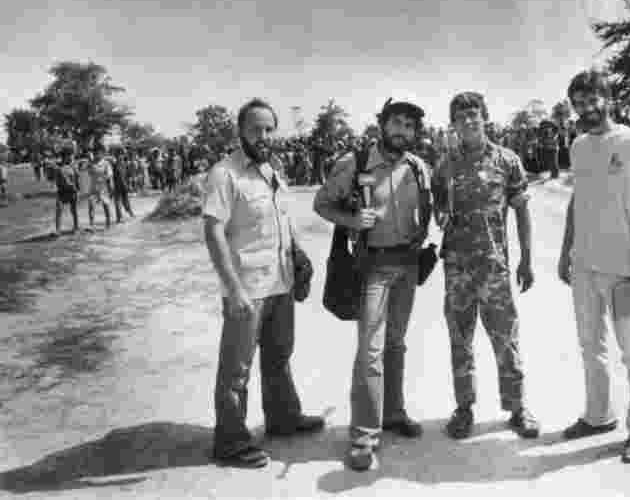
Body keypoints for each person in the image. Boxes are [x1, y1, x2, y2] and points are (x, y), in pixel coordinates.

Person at [203, 98, 325, 469]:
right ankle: (230, 441)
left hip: (279, 283)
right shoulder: (225, 174)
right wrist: (234, 289)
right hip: (248, 289)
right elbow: (213, 231)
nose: (264, 135)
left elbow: (280, 225)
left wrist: (299, 258)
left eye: (270, 128)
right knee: (236, 368)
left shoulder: (271, 172)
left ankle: (283, 418)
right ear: (240, 131)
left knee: (278, 357)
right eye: (256, 128)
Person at [313, 98, 431, 472]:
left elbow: (429, 210)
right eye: (396, 123)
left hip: (408, 266)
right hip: (373, 267)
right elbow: (322, 204)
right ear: (382, 125)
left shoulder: (418, 166)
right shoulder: (355, 163)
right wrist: (351, 220)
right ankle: (363, 436)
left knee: (396, 343)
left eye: (409, 126)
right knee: (371, 351)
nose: (402, 131)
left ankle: (393, 414)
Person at [557, 70, 630, 465]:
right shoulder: (579, 146)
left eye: (592, 100)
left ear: (608, 98)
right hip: (584, 264)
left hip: (623, 267)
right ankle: (598, 416)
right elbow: (576, 200)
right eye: (578, 104)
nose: (585, 109)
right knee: (590, 347)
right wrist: (566, 250)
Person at [432, 91, 540, 443]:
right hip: (457, 270)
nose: (468, 120)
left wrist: (526, 258)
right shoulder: (444, 166)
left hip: (495, 268)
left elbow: (522, 210)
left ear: (485, 117)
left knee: (505, 338)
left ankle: (517, 407)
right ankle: (464, 408)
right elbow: (437, 214)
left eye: (474, 114)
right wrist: (441, 214)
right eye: (461, 116)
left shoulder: (507, 161)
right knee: (459, 340)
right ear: (453, 124)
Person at [53, 146, 80, 234]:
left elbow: (77, 178)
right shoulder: (58, 167)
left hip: (72, 191)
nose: (72, 157)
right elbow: (56, 180)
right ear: (65, 156)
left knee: (74, 210)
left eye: (72, 156)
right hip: (61, 191)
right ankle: (58, 229)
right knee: (59, 210)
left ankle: (76, 227)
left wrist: (77, 188)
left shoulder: (73, 166)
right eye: (70, 156)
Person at [110, 150, 135, 222]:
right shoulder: (113, 165)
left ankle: (130, 213)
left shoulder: (126, 165)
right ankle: (119, 217)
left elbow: (129, 175)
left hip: (124, 185)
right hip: (117, 186)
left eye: (121, 155)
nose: (120, 156)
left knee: (126, 201)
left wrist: (130, 185)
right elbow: (111, 176)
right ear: (116, 156)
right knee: (117, 202)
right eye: (118, 155)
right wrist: (111, 187)